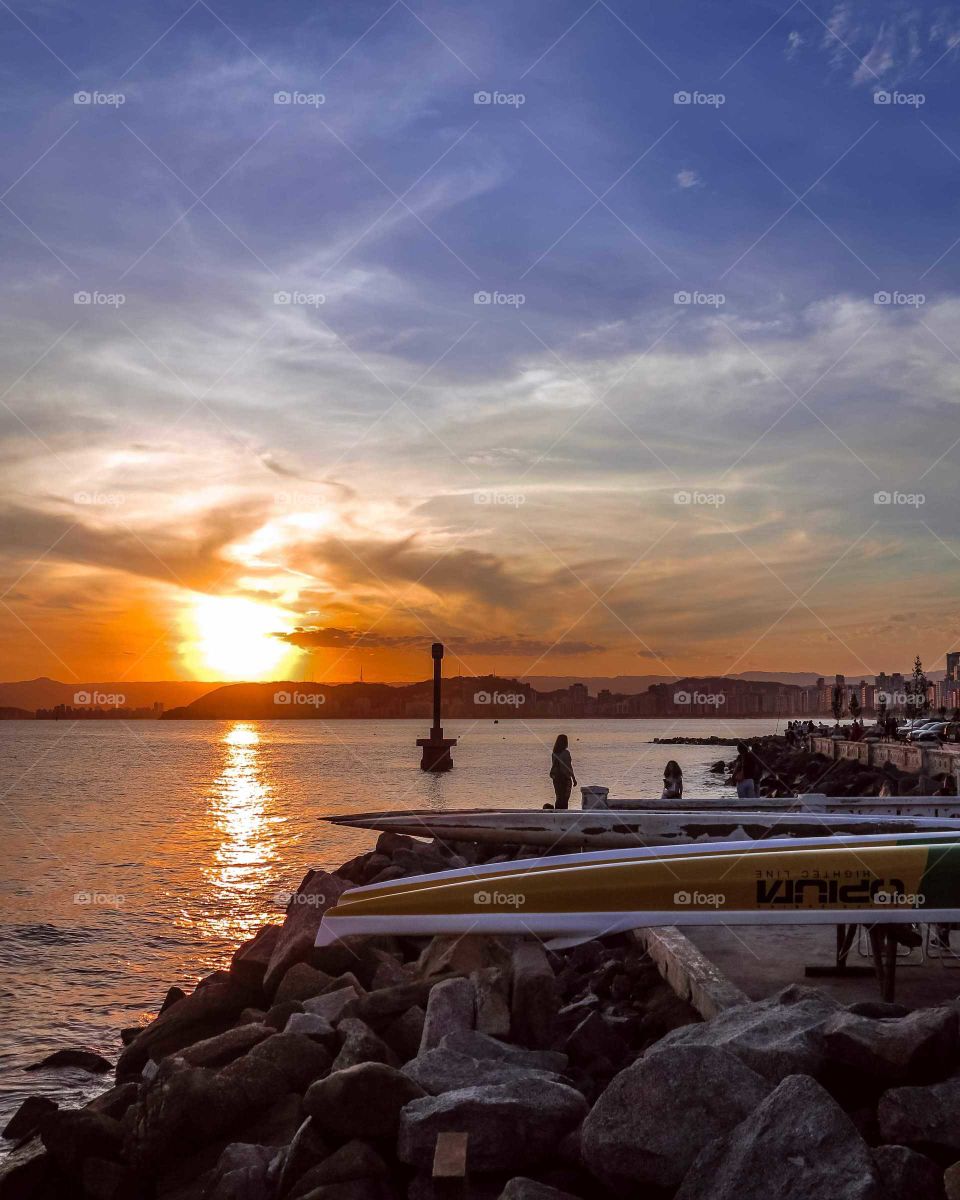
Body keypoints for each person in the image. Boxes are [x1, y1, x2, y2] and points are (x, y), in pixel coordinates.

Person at [549, 734, 577, 810]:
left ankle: (557, 813)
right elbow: (569, 766)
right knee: (565, 799)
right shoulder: (566, 753)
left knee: (558, 798)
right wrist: (574, 779)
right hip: (565, 778)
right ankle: (564, 814)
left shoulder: (554, 753)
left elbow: (554, 766)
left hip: (556, 778)